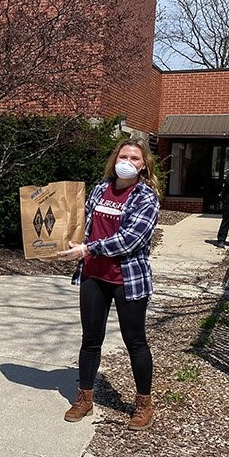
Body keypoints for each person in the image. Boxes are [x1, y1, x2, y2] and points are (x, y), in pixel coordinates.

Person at [57, 137, 161, 430]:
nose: (127, 162)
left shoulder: (146, 198)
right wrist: (68, 243)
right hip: (93, 276)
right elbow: (82, 225)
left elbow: (131, 239)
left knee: (135, 341)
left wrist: (88, 249)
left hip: (127, 279)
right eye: (123, 155)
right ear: (115, 159)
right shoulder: (100, 189)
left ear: (144, 167)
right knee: (90, 339)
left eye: (135, 159)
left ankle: (143, 404)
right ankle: (85, 398)